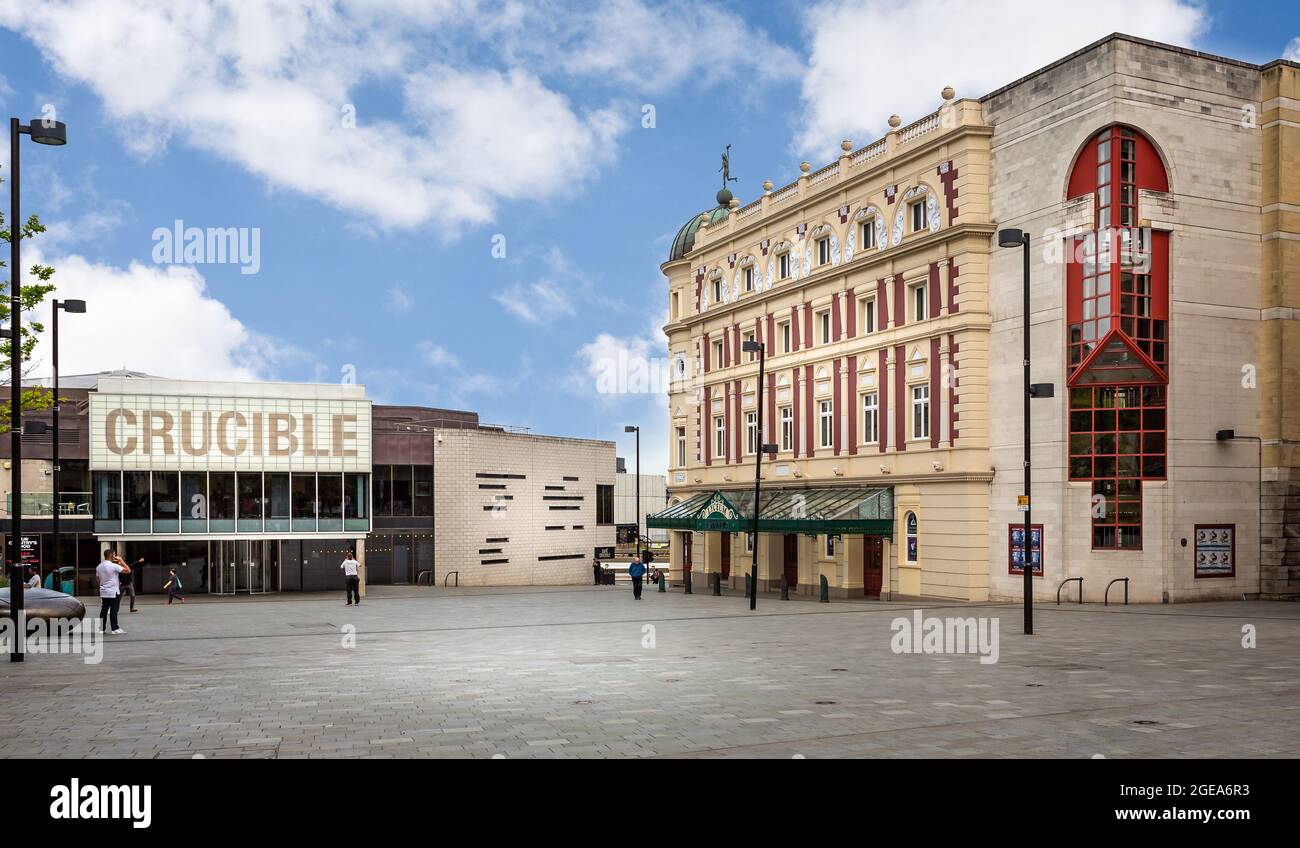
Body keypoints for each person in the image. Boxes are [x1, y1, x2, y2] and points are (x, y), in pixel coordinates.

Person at [95, 549, 131, 635]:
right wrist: (121, 560)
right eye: (115, 555)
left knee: (104, 610)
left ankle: (101, 629)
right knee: (114, 610)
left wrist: (103, 585)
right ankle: (115, 628)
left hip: (104, 592)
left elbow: (97, 578)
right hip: (113, 592)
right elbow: (128, 570)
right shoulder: (113, 566)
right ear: (112, 556)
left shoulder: (99, 566)